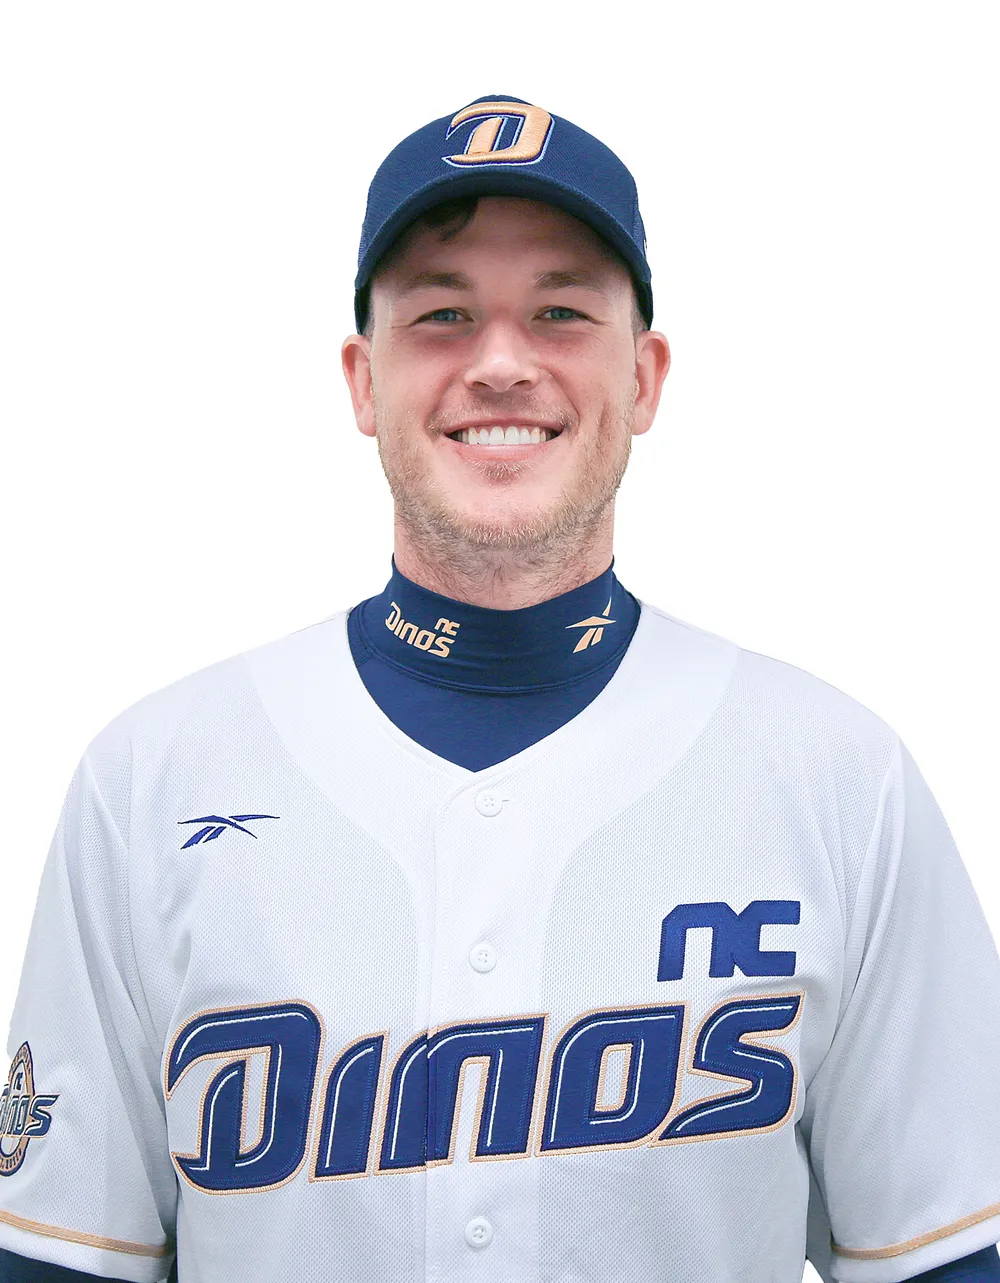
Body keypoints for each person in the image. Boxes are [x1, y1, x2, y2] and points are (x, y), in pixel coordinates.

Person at [1, 93, 999, 1283]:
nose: (502, 363)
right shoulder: (151, 779)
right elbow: (61, 1259)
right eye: (443, 313)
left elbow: (947, 1256)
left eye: (561, 310)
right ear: (363, 381)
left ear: (645, 376)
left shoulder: (837, 779)